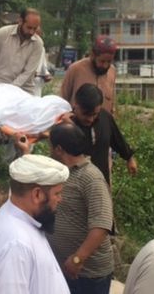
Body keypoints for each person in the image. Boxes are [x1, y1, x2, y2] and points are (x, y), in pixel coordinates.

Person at [0, 154, 71, 294]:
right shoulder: (15, 244)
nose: (60, 199)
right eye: (57, 193)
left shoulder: (18, 214)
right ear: (37, 195)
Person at [45, 123, 114, 294]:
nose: (49, 151)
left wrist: (77, 259)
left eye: (50, 146)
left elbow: (102, 224)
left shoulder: (90, 177)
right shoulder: (60, 173)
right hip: (65, 269)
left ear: (59, 149)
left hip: (88, 276)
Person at [67, 84, 137, 185]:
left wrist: (129, 158)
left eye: (94, 114)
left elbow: (117, 139)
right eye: (86, 114)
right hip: (75, 186)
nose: (90, 119)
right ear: (76, 105)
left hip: (101, 181)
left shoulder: (104, 118)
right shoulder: (66, 126)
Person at [0, 8, 44, 94]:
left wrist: (10, 90)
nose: (31, 32)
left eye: (35, 28)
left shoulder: (38, 43)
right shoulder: (2, 34)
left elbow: (28, 73)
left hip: (24, 89)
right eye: (29, 28)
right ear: (20, 21)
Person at [61, 35, 117, 114]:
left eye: (109, 61)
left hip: (102, 123)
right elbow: (63, 100)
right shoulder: (75, 69)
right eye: (102, 61)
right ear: (93, 55)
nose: (105, 65)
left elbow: (111, 103)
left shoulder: (112, 71)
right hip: (77, 123)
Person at [33, 27, 52, 97]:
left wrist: (47, 74)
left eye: (39, 35)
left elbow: (43, 65)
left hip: (37, 82)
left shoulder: (42, 48)